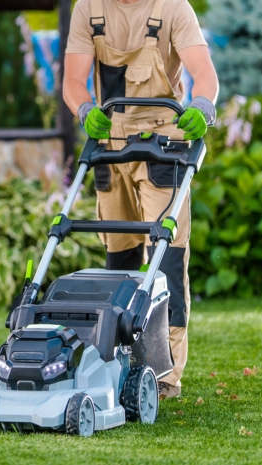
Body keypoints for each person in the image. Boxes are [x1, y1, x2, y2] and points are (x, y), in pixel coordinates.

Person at [62, 0, 219, 399]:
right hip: (110, 141)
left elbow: (204, 74)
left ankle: (164, 375)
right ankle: (115, 360)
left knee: (166, 256)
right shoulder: (89, 8)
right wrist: (84, 109)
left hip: (164, 139)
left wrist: (201, 106)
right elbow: (73, 81)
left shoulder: (173, 7)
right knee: (120, 253)